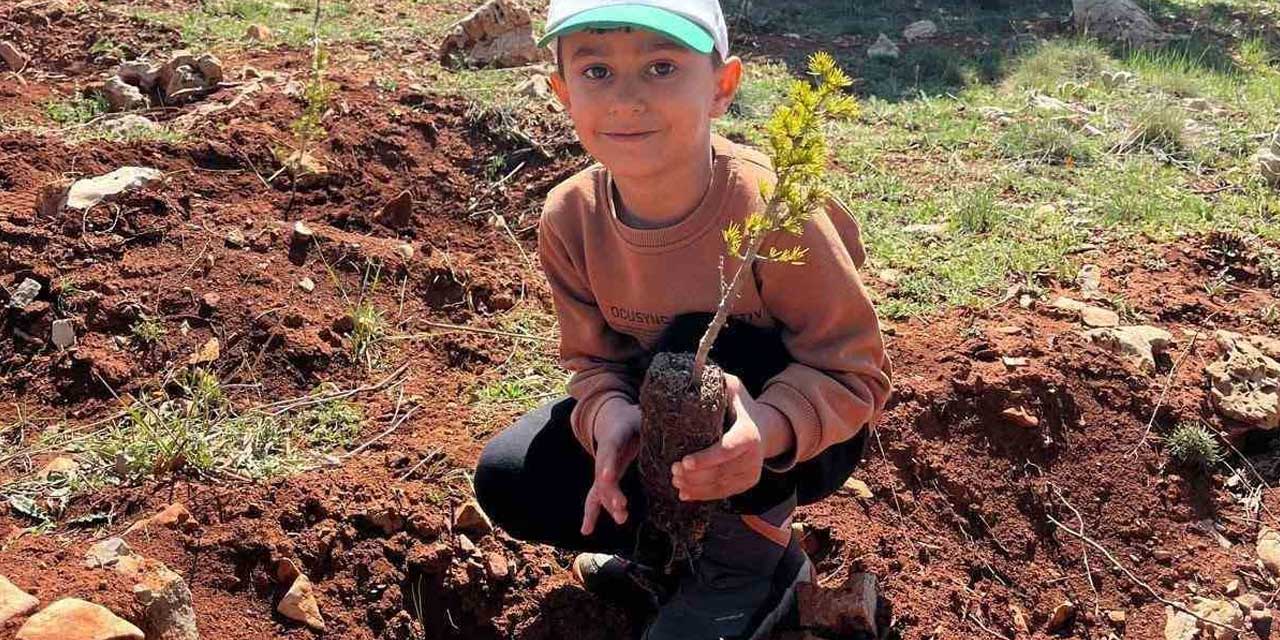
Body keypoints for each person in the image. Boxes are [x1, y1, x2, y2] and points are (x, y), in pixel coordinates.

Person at [474, 1, 893, 637]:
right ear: (562, 93)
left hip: (797, 437)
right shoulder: (570, 217)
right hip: (665, 425)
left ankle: (748, 562)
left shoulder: (771, 208)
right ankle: (671, 556)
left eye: (662, 67)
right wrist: (609, 418)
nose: (626, 99)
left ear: (722, 86)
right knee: (511, 476)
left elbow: (854, 371)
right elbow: (594, 362)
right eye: (596, 72)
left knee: (693, 348)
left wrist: (767, 430)